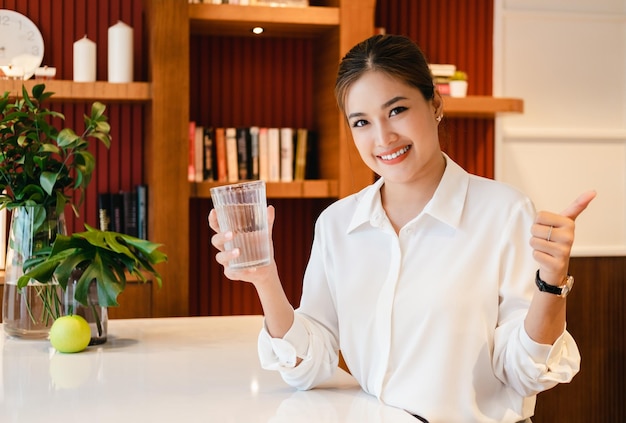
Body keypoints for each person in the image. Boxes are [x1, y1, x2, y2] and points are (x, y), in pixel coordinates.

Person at [208, 34, 596, 423]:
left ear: (436, 105)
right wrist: (265, 278)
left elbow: (524, 372)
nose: (382, 138)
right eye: (361, 122)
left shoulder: (505, 212)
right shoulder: (338, 224)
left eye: (396, 111)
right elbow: (309, 366)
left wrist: (551, 281)